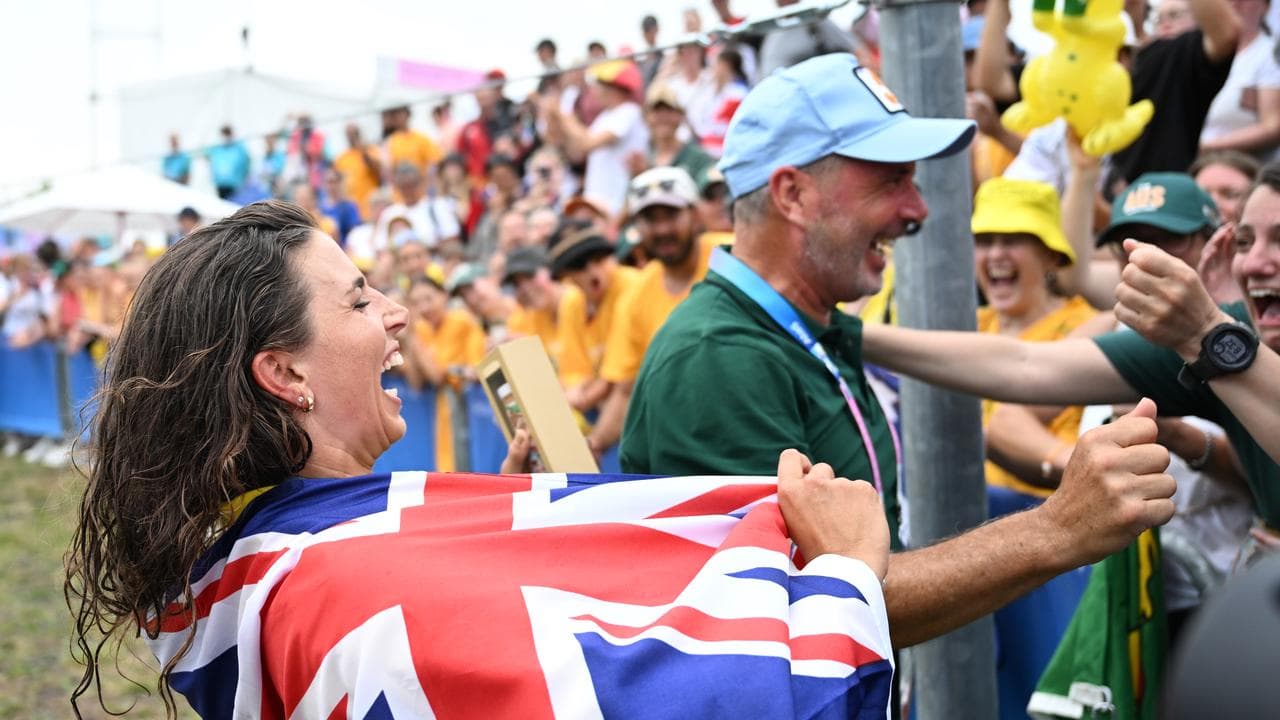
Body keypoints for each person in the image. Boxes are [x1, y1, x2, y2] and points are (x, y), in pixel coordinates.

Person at [66, 199, 900, 717]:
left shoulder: (274, 562)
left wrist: (492, 545)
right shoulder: (352, 587)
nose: (394, 314)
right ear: (284, 374)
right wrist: (846, 577)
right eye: (359, 298)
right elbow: (699, 702)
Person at [621, 53, 1178, 649]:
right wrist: (1058, 529)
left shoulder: (804, 328)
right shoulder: (720, 359)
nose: (919, 210)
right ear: (792, 194)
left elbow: (1014, 365)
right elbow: (803, 608)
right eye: (891, 181)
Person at [861, 162, 1280, 555]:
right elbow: (1024, 367)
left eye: (1170, 239)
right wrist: (850, 333)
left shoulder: (1205, 332)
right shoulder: (1201, 333)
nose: (1258, 262)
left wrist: (1210, 335)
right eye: (1246, 241)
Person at [587, 166, 719, 454]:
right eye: (650, 219)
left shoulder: (733, 256)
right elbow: (626, 389)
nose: (662, 230)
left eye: (671, 215)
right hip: (685, 447)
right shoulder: (635, 297)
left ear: (695, 215)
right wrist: (595, 445)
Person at [548, 219, 640, 415]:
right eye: (579, 265)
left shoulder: (633, 286)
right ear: (566, 274)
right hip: (603, 409)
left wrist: (580, 399)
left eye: (598, 259)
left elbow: (618, 377)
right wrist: (576, 393)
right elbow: (574, 372)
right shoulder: (572, 302)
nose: (592, 271)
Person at [332, 123, 384, 220]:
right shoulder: (341, 158)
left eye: (354, 133)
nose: (352, 137)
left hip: (371, 207)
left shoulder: (372, 150)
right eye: (349, 134)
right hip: (352, 211)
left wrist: (363, 151)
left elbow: (380, 170)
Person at [205, 125, 251, 200]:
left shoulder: (240, 149)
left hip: (235, 185)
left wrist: (244, 181)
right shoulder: (217, 149)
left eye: (227, 133)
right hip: (220, 184)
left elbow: (247, 164)